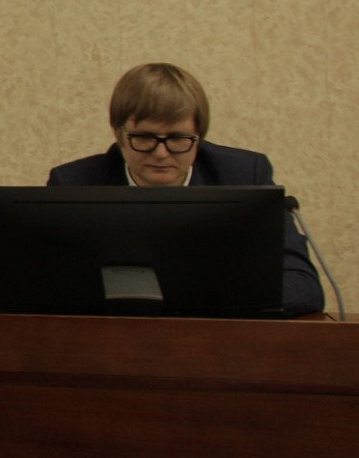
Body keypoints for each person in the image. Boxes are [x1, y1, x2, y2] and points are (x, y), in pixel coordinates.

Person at [48, 61, 323, 316]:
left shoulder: (243, 176)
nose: (160, 153)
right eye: (144, 137)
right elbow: (47, 288)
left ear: (199, 137)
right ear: (119, 134)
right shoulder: (73, 184)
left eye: (178, 138)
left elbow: (303, 285)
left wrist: (198, 301)